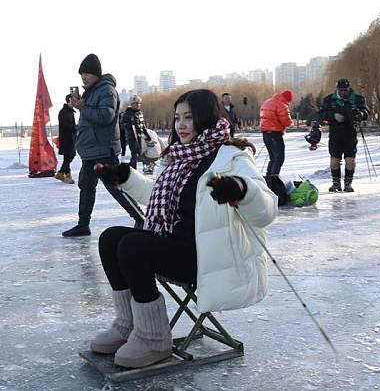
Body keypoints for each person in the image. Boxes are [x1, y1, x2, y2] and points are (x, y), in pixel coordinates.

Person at [89, 89, 277, 368]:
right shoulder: (179, 158)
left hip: (211, 258)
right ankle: (128, 325)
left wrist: (240, 190)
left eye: (189, 117)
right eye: (177, 118)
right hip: (177, 245)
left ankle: (154, 338)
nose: (181, 125)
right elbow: (158, 195)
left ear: (206, 117)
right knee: (110, 238)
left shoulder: (231, 157)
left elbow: (267, 210)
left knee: (133, 247)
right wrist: (124, 177)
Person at [62, 53, 121, 237]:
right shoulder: (91, 91)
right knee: (86, 187)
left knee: (116, 187)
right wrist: (81, 105)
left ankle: (140, 217)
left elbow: (105, 116)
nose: (83, 77)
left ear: (96, 74)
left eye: (87, 73)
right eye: (81, 75)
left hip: (103, 149)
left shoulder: (106, 90)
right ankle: (83, 224)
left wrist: (82, 108)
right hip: (90, 150)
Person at [318, 79, 368, 192]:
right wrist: (333, 115)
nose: (343, 92)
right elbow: (322, 113)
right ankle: (336, 183)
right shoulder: (329, 99)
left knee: (350, 159)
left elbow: (366, 112)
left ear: (349, 88)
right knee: (334, 159)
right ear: (337, 89)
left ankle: (348, 183)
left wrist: (360, 114)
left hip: (350, 132)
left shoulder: (358, 99)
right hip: (335, 132)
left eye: (345, 90)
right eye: (340, 90)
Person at [259, 89, 294, 176]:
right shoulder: (282, 105)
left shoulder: (267, 102)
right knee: (279, 159)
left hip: (265, 134)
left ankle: (268, 178)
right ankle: (274, 180)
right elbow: (286, 121)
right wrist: (291, 123)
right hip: (275, 134)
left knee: (273, 158)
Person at [120, 95, 150, 169]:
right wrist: (129, 125)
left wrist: (147, 136)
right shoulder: (127, 114)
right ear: (132, 104)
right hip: (131, 137)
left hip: (139, 136)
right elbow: (122, 125)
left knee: (139, 153)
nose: (138, 105)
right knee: (135, 154)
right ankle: (133, 169)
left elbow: (143, 126)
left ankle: (131, 167)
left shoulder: (140, 113)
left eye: (139, 103)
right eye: (136, 103)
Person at [55, 94, 77, 184]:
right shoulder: (64, 111)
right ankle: (67, 175)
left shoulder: (70, 111)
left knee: (70, 156)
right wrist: (77, 128)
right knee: (68, 157)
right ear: (69, 100)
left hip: (71, 138)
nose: (77, 101)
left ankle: (61, 173)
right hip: (66, 138)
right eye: (75, 99)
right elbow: (67, 126)